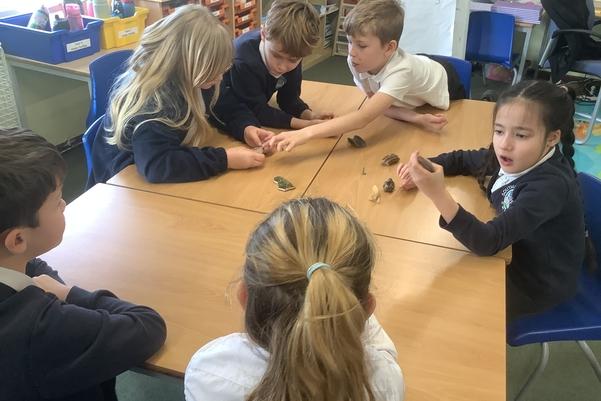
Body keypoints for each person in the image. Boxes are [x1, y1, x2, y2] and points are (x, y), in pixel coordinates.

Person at [396, 80, 586, 322]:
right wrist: (429, 165)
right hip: (517, 252)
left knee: (445, 303)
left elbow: (487, 242)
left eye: (521, 134)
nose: (505, 144)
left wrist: (437, 193)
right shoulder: (518, 156)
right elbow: (464, 159)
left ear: (551, 139)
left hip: (537, 282)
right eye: (499, 131)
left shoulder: (549, 187)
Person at [0, 128, 166, 401]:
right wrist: (67, 294)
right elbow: (147, 327)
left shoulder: (17, 267)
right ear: (18, 240)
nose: (65, 204)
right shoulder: (40, 328)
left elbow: (31, 266)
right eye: (57, 202)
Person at [184, 198, 404, 401]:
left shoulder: (207, 370)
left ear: (243, 296)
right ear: (367, 310)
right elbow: (380, 353)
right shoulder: (383, 383)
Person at [88, 5, 269, 188]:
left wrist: (245, 127)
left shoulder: (196, 77)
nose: (219, 79)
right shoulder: (155, 102)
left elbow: (225, 104)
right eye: (213, 73)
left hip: (162, 165)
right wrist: (225, 159)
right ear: (187, 64)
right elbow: (157, 164)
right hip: (122, 188)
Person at [268, 0, 466, 152]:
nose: (352, 52)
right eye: (350, 42)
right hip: (412, 74)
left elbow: (364, 117)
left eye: (361, 45)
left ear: (389, 48)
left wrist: (306, 133)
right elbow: (375, 104)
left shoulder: (401, 72)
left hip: (444, 79)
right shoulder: (357, 60)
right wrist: (416, 118)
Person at [213, 0, 334, 140]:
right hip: (227, 111)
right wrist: (306, 125)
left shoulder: (292, 50)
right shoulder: (244, 61)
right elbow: (257, 110)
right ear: (263, 34)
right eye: (276, 56)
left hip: (251, 108)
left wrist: (308, 115)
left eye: (293, 60)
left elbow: (289, 99)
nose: (282, 66)